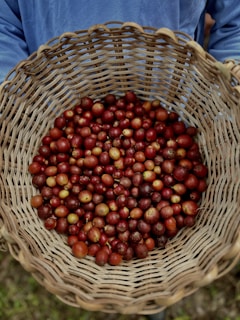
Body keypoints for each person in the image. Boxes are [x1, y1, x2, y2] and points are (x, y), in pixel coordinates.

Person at [0, 1, 240, 320]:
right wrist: (10, 88)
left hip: (173, 91)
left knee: (158, 287)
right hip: (52, 94)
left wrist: (230, 76)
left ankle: (151, 308)